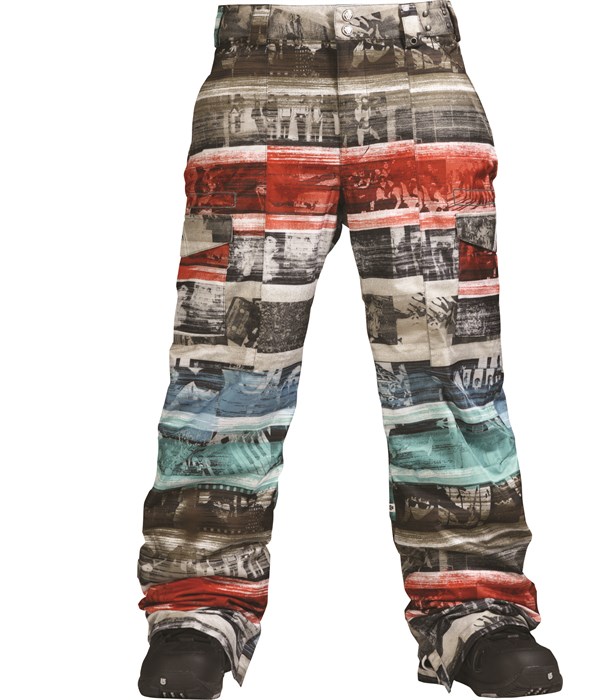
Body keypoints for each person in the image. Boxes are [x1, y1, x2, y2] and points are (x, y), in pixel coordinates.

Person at [137, 4, 563, 699]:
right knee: (226, 371)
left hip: (420, 71)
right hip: (258, 73)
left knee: (452, 370)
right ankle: (198, 610)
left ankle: (476, 609)